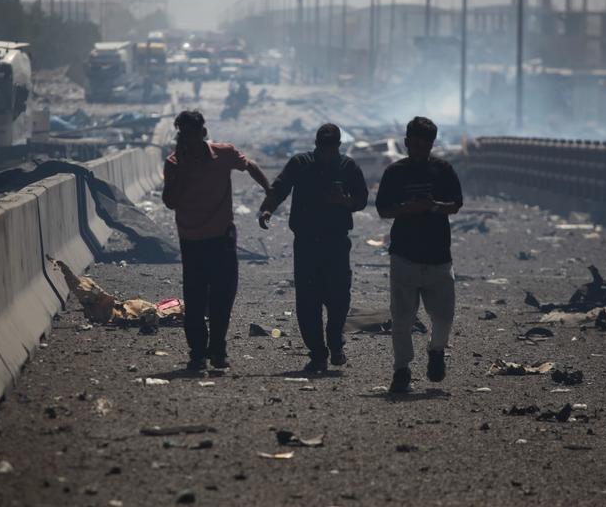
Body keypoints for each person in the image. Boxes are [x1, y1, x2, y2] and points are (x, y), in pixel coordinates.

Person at [162, 110, 272, 371]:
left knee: (223, 296)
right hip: (191, 240)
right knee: (195, 300)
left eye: (193, 134)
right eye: (184, 135)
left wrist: (270, 192)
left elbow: (250, 166)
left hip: (222, 237)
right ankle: (197, 354)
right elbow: (169, 202)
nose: (189, 140)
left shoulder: (223, 154)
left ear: (203, 133)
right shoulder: (174, 162)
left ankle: (218, 350)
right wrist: (182, 172)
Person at [259, 124, 368, 373]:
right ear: (316, 145)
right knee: (308, 301)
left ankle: (335, 343)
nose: (327, 154)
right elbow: (280, 188)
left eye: (331, 149)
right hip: (307, 243)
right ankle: (318, 353)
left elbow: (361, 199)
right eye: (323, 149)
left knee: (339, 297)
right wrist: (267, 209)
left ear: (338, 146)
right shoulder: (301, 163)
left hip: (336, 242)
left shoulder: (348, 167)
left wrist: (343, 201)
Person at [375, 116, 462, 393]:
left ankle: (436, 350)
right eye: (416, 145)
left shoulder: (443, 170)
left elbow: (455, 204)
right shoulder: (395, 172)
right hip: (405, 254)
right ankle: (401, 370)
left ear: (432, 145)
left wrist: (433, 206)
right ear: (407, 143)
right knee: (402, 319)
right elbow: (383, 209)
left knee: (444, 315)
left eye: (426, 146)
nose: (420, 151)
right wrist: (406, 209)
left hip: (438, 255)